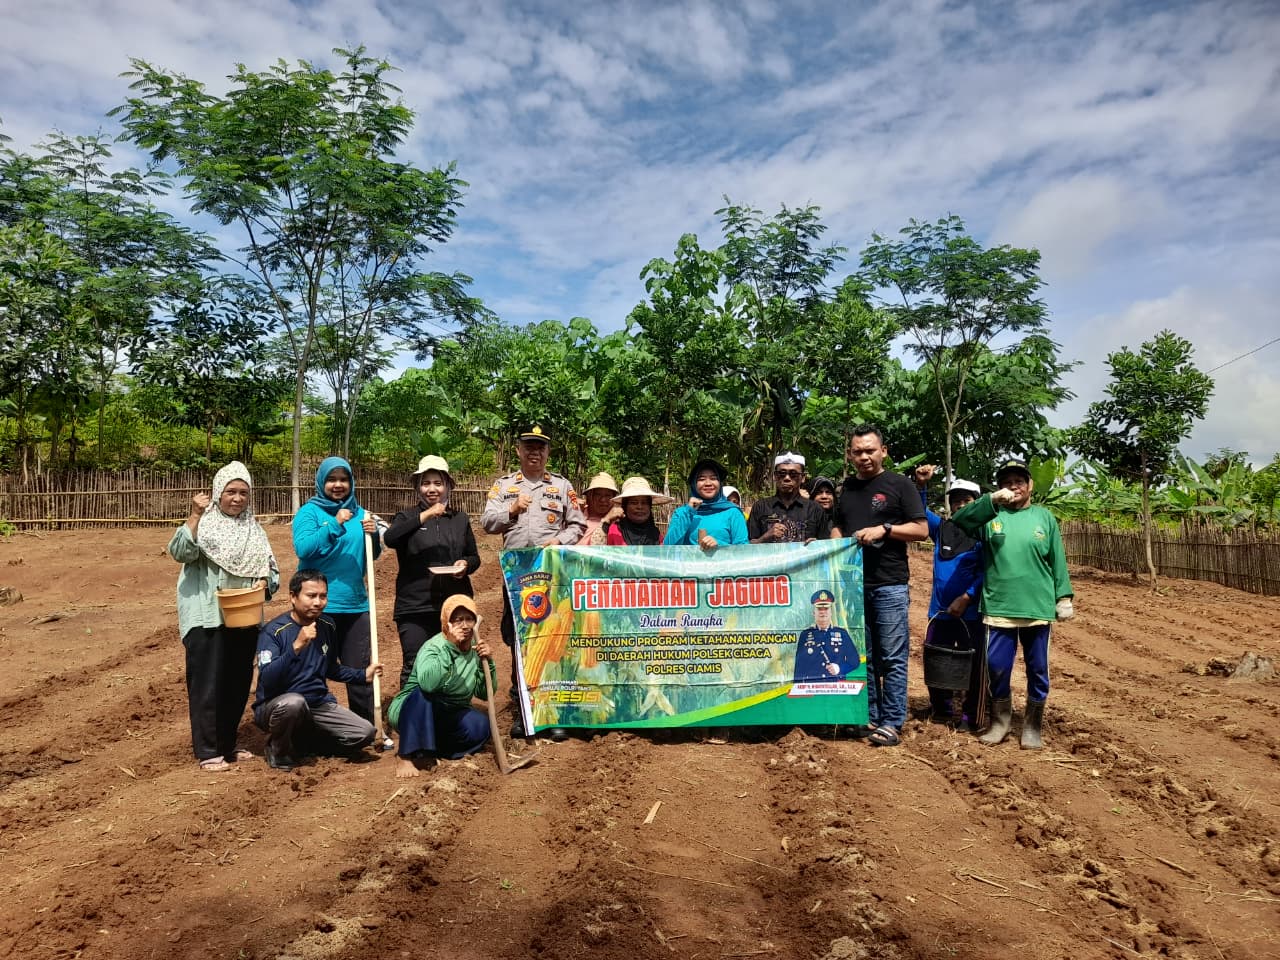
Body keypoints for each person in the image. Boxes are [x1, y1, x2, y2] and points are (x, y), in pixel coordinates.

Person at [950, 459, 1074, 750]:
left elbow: (1057, 559)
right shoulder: (991, 517)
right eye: (1007, 482)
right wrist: (990, 500)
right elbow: (960, 520)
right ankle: (1000, 721)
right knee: (996, 666)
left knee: (1038, 668)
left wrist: (1064, 596)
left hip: (1036, 606)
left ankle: (1032, 726)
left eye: (1019, 481)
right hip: (999, 605)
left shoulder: (1044, 518)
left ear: (1030, 485)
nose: (1013, 486)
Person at [168, 461, 279, 772]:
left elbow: (271, 569)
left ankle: (227, 744)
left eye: (243, 492)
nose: (237, 498)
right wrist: (194, 515)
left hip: (244, 616)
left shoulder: (253, 530)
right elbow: (180, 552)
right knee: (207, 685)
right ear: (218, 493)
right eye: (231, 491)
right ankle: (208, 751)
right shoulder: (204, 525)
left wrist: (264, 582)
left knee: (237, 683)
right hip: (207, 618)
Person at [480, 425, 587, 736]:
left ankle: (553, 710)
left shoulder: (562, 486)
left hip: (551, 575)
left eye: (540, 447)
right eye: (528, 446)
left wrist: (559, 541)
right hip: (516, 577)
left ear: (548, 452)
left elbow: (577, 525)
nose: (534, 452)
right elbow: (487, 522)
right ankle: (523, 710)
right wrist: (511, 510)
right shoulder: (503, 486)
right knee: (518, 638)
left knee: (552, 638)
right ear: (518, 450)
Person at [836, 426, 928, 747]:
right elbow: (838, 525)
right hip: (854, 585)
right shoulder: (847, 488)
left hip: (889, 583)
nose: (864, 457)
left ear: (883, 451)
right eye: (858, 452)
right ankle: (870, 714)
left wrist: (884, 529)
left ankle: (892, 720)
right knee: (865, 655)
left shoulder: (900, 485)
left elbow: (921, 529)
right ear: (850, 455)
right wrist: (834, 543)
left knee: (892, 655)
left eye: (870, 450)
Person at [252, 570, 383, 771]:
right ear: (293, 597)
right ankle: (278, 749)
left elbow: (330, 667)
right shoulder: (273, 631)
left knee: (364, 733)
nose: (318, 602)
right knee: (294, 702)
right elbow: (267, 679)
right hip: (278, 706)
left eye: (323, 596)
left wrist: (362, 675)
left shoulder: (327, 625)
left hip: (317, 704)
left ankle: (307, 744)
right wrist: (296, 647)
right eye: (311, 596)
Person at [291, 456, 381, 724]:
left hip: (355, 606)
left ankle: (366, 727)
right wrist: (335, 523)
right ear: (322, 482)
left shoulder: (361, 513)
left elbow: (371, 555)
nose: (338, 485)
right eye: (332, 479)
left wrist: (374, 535)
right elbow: (303, 548)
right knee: (313, 669)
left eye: (344, 479)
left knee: (359, 671)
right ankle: (313, 727)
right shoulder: (310, 512)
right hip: (318, 607)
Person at [382, 455, 480, 690]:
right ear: (418, 487)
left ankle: (449, 710)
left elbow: (474, 557)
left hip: (454, 604)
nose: (432, 489)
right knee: (415, 664)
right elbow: (390, 538)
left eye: (438, 483)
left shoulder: (459, 519)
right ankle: (410, 710)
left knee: (454, 663)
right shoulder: (406, 517)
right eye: (426, 483)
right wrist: (425, 515)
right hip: (415, 606)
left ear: (448, 486)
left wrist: (465, 565)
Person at [387, 595, 497, 778]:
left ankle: (434, 750)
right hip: (414, 710)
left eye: (469, 619)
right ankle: (405, 755)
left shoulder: (476, 650)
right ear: (447, 623)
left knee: (480, 725)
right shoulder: (433, 647)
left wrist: (488, 662)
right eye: (458, 620)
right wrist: (451, 647)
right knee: (424, 694)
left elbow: (485, 693)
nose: (464, 625)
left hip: (450, 712)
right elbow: (428, 685)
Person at [913, 465, 986, 730]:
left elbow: (988, 571)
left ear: (977, 503)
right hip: (940, 612)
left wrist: (967, 597)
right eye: (956, 501)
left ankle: (969, 715)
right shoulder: (942, 529)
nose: (961, 505)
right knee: (936, 658)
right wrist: (921, 486)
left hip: (971, 613)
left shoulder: (985, 533)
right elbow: (919, 512)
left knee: (973, 664)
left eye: (967, 500)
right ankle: (941, 709)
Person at [663, 459, 749, 550]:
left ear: (720, 483)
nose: (708, 483)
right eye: (702, 479)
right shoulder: (682, 513)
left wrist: (720, 544)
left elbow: (743, 549)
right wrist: (688, 512)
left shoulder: (733, 513)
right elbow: (668, 547)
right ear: (694, 484)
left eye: (713, 478)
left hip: (724, 560)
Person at [748, 452, 832, 543]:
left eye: (793, 474)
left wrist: (817, 544)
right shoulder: (760, 507)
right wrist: (764, 538)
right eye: (782, 473)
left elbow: (826, 545)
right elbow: (747, 545)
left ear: (803, 477)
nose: (787, 478)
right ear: (775, 476)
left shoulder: (815, 509)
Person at [793, 589, 860, 683]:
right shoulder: (805, 635)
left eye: (826, 609)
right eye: (819, 609)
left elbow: (855, 661)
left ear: (831, 612)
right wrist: (798, 688)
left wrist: (839, 668)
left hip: (835, 687)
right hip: (813, 687)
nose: (823, 612)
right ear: (814, 613)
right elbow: (799, 668)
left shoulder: (842, 634)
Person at [605, 476, 672, 545]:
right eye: (634, 503)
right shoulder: (614, 532)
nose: (640, 507)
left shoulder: (656, 535)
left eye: (644, 503)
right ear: (625, 506)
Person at [578, 472, 623, 545]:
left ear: (614, 498)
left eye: (608, 495)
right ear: (591, 496)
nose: (603, 500)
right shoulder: (576, 516)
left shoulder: (619, 520)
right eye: (598, 495)